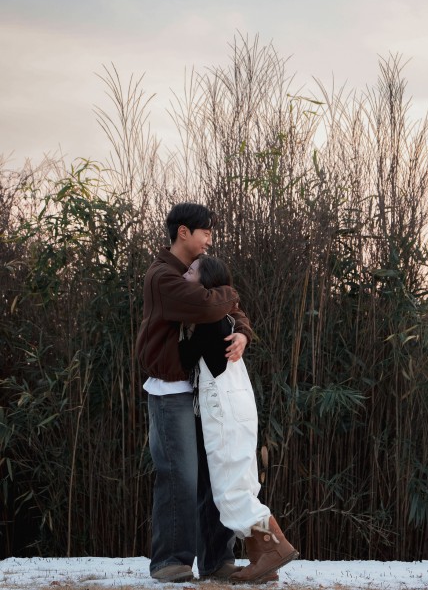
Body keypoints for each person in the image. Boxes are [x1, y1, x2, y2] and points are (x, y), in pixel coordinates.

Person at [136, 202, 252, 583]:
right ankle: (170, 560)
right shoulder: (162, 277)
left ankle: (217, 560)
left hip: (204, 391)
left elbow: (227, 310)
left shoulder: (199, 271)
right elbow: (206, 305)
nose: (209, 240)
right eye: (205, 232)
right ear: (183, 232)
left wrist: (242, 334)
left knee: (214, 473)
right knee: (179, 476)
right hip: (170, 390)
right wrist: (229, 292)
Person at [179, 255, 298, 583]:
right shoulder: (226, 317)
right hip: (239, 406)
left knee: (229, 489)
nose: (185, 273)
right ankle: (263, 559)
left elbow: (184, 357)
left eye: (191, 271)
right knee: (241, 481)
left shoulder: (209, 320)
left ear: (206, 283)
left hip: (224, 412)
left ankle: (274, 547)